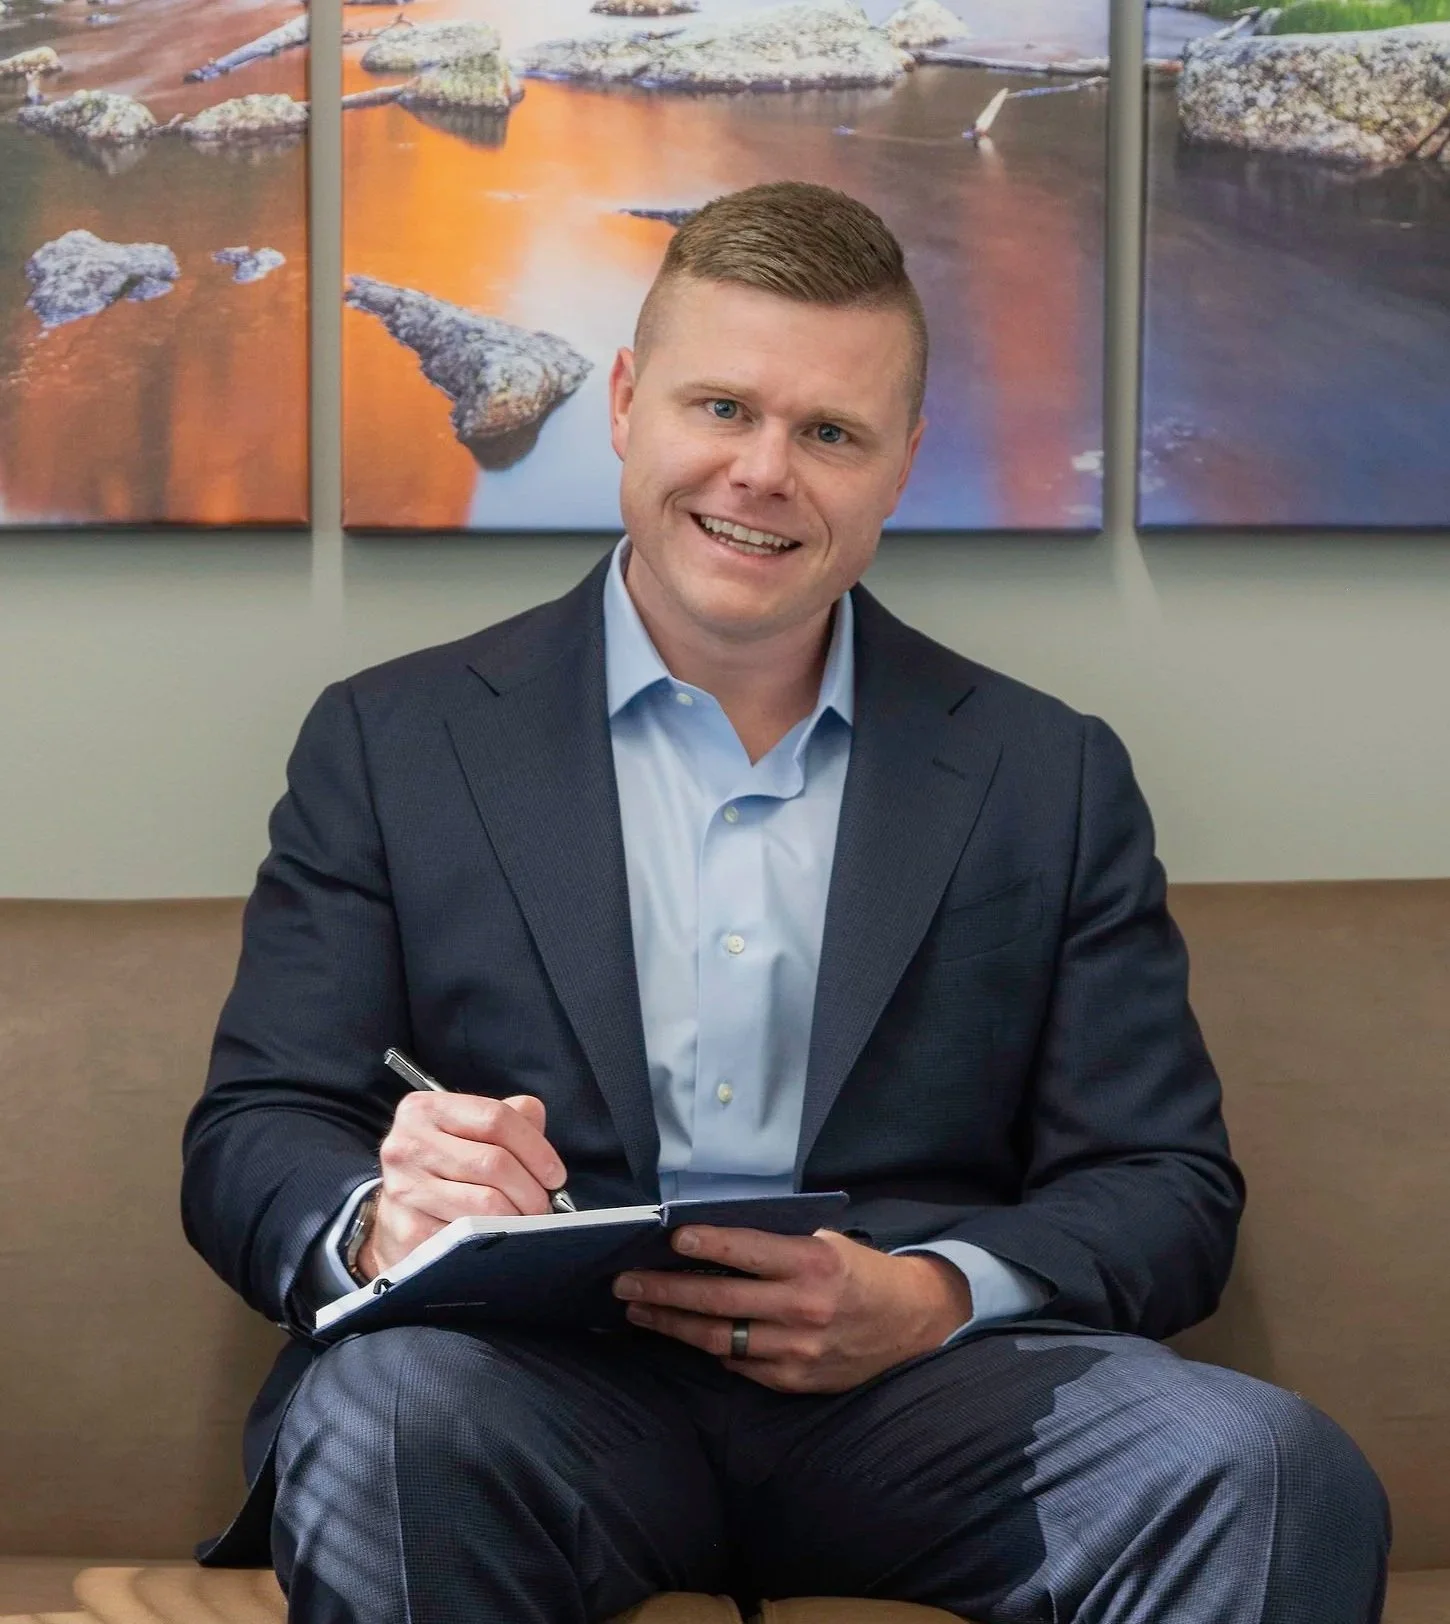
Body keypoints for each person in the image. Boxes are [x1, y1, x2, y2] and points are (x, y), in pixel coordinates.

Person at [181, 181, 1390, 1623]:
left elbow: (1166, 1191)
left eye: (827, 433)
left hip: (932, 1409)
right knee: (379, 1415)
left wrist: (933, 1294)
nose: (761, 473)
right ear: (623, 403)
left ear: (897, 468)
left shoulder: (1045, 774)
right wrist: (382, 1215)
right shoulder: (390, 742)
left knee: (1270, 1464)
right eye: (720, 408)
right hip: (521, 1395)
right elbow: (255, 1132)